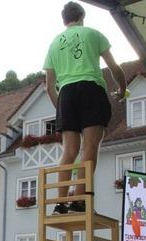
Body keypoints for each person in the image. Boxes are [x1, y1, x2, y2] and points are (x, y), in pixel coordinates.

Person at [44, 1, 126, 214]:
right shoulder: (93, 34)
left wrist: (59, 107)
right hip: (90, 88)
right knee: (89, 147)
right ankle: (79, 201)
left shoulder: (54, 43)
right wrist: (122, 87)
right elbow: (114, 67)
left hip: (66, 94)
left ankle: (60, 203)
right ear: (82, 17)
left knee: (69, 150)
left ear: (64, 20)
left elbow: (48, 85)